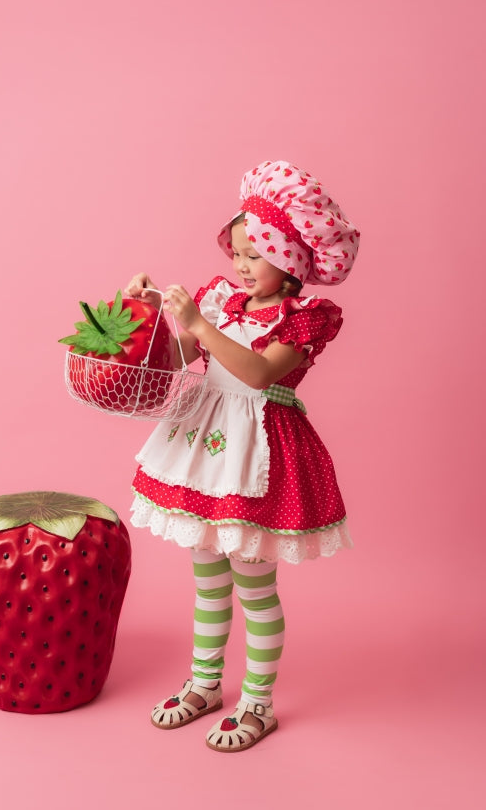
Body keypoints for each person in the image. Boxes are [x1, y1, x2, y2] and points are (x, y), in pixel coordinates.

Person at [124, 160, 360, 752]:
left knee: (254, 585)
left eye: (255, 255)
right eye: (237, 255)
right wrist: (148, 310)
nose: (241, 266)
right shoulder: (220, 300)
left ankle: (258, 699)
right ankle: (205, 682)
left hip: (258, 453)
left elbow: (256, 373)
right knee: (207, 577)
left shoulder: (304, 318)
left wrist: (199, 324)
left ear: (292, 261)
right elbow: (177, 356)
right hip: (206, 449)